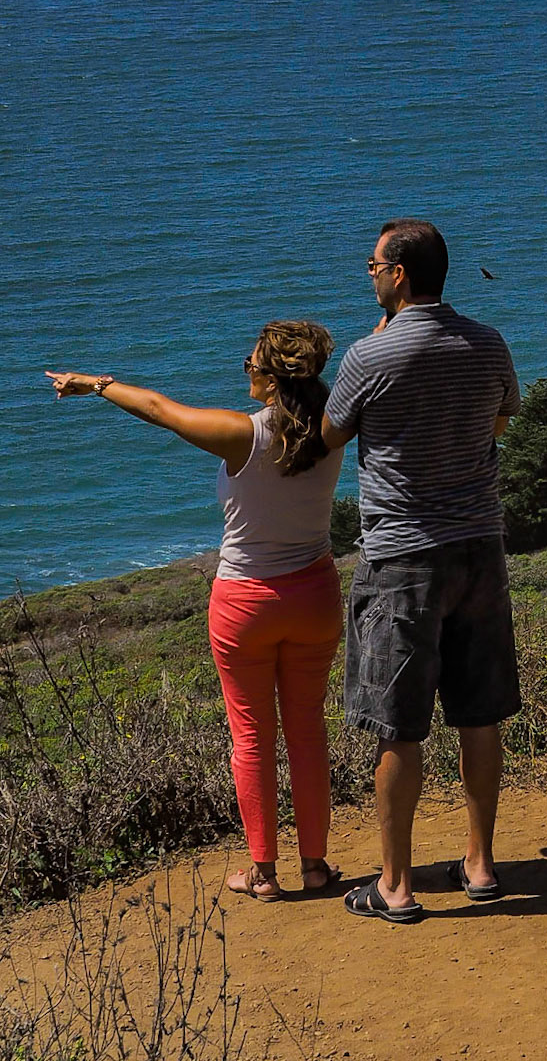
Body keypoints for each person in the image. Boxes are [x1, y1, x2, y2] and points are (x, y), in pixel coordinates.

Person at [49, 321, 345, 902]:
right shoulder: (333, 426)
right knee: (308, 731)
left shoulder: (242, 434)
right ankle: (315, 866)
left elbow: (160, 410)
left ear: (271, 377)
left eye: (251, 363)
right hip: (314, 595)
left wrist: (96, 384)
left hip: (245, 604)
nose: (245, 370)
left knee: (251, 736)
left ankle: (263, 873)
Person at [321, 217, 521, 923]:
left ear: (400, 274)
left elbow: (330, 435)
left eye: (374, 266)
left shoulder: (368, 356)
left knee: (398, 725)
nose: (370, 274)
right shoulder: (488, 342)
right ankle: (480, 864)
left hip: (403, 556)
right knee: (480, 714)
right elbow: (501, 420)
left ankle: (396, 885)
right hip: (480, 546)